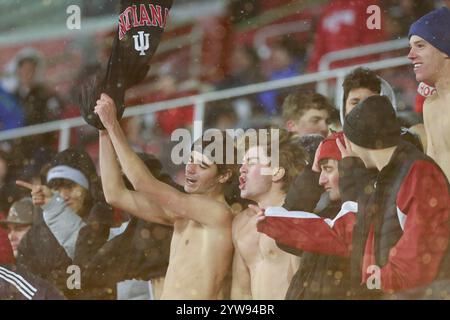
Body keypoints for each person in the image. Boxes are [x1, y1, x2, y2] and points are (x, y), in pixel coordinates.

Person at [256, 96, 450, 298]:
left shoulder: (417, 172)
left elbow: (415, 264)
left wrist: (371, 288)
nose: (321, 179)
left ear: (359, 139)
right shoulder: (385, 179)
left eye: (328, 169)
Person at [94, 93, 238, 299]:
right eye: (190, 160)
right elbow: (114, 194)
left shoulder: (218, 214)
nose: (190, 169)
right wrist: (103, 132)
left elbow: (143, 184)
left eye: (202, 166)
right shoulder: (181, 215)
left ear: (224, 176)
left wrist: (113, 125)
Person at [15, 148, 113, 299]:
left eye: (70, 186)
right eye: (56, 189)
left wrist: (71, 284)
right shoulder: (34, 239)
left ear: (88, 189)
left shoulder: (107, 225)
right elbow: (21, 287)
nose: (64, 195)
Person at [231, 129, 306, 299]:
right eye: (243, 163)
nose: (242, 169)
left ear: (277, 171)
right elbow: (241, 292)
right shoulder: (240, 223)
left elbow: (304, 289)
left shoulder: (297, 219)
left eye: (251, 162)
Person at [284, 132, 351, 299]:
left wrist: (355, 174)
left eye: (327, 169)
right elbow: (287, 238)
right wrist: (312, 172)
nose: (320, 180)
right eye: (319, 171)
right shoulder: (327, 214)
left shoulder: (367, 214)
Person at [408, 7, 450, 180]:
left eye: (420, 46)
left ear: (445, 49)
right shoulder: (430, 106)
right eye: (411, 47)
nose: (410, 55)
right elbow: (434, 176)